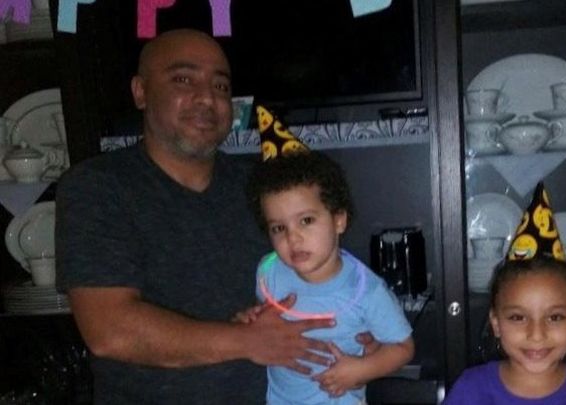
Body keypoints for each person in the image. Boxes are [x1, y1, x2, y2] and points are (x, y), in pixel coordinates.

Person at [55, 29, 354, 404]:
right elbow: (111, 331)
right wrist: (248, 341)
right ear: (141, 92)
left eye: (221, 86)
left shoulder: (261, 186)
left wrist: (356, 332)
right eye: (183, 79)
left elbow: (318, 278)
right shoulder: (98, 187)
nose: (207, 98)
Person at [241, 150, 415, 404]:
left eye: (306, 220)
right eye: (279, 228)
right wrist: (250, 319)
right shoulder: (269, 271)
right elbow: (263, 319)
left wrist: (360, 370)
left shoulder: (366, 290)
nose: (293, 238)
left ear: (338, 220)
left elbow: (403, 348)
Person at [442, 257, 566, 405]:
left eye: (555, 317)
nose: (536, 335)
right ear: (496, 323)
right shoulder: (470, 391)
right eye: (518, 317)